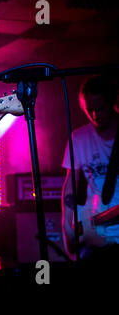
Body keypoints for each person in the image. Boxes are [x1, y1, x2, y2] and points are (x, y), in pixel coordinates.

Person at [61, 75, 119, 281]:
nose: (95, 115)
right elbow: (70, 187)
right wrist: (67, 228)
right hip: (94, 237)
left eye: (101, 109)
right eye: (89, 110)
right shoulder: (79, 138)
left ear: (112, 104)